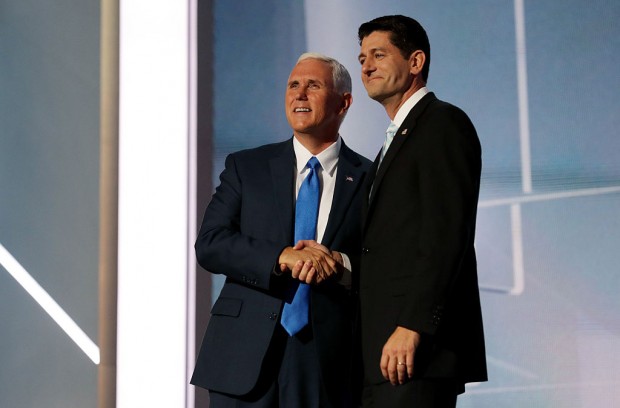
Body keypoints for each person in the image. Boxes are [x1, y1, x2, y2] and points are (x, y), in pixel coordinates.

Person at [191, 52, 371, 407]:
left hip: (326, 360)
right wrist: (281, 256)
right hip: (242, 354)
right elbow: (210, 243)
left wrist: (341, 266)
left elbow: (385, 262)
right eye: (293, 85)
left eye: (313, 85)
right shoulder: (247, 166)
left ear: (344, 102)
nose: (299, 94)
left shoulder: (370, 179)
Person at [356, 15, 488, 407]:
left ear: (416, 62)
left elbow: (446, 235)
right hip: (380, 353)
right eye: (362, 57)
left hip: (414, 352)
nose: (366, 66)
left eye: (379, 54)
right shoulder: (394, 141)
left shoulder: (443, 123)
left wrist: (413, 324)